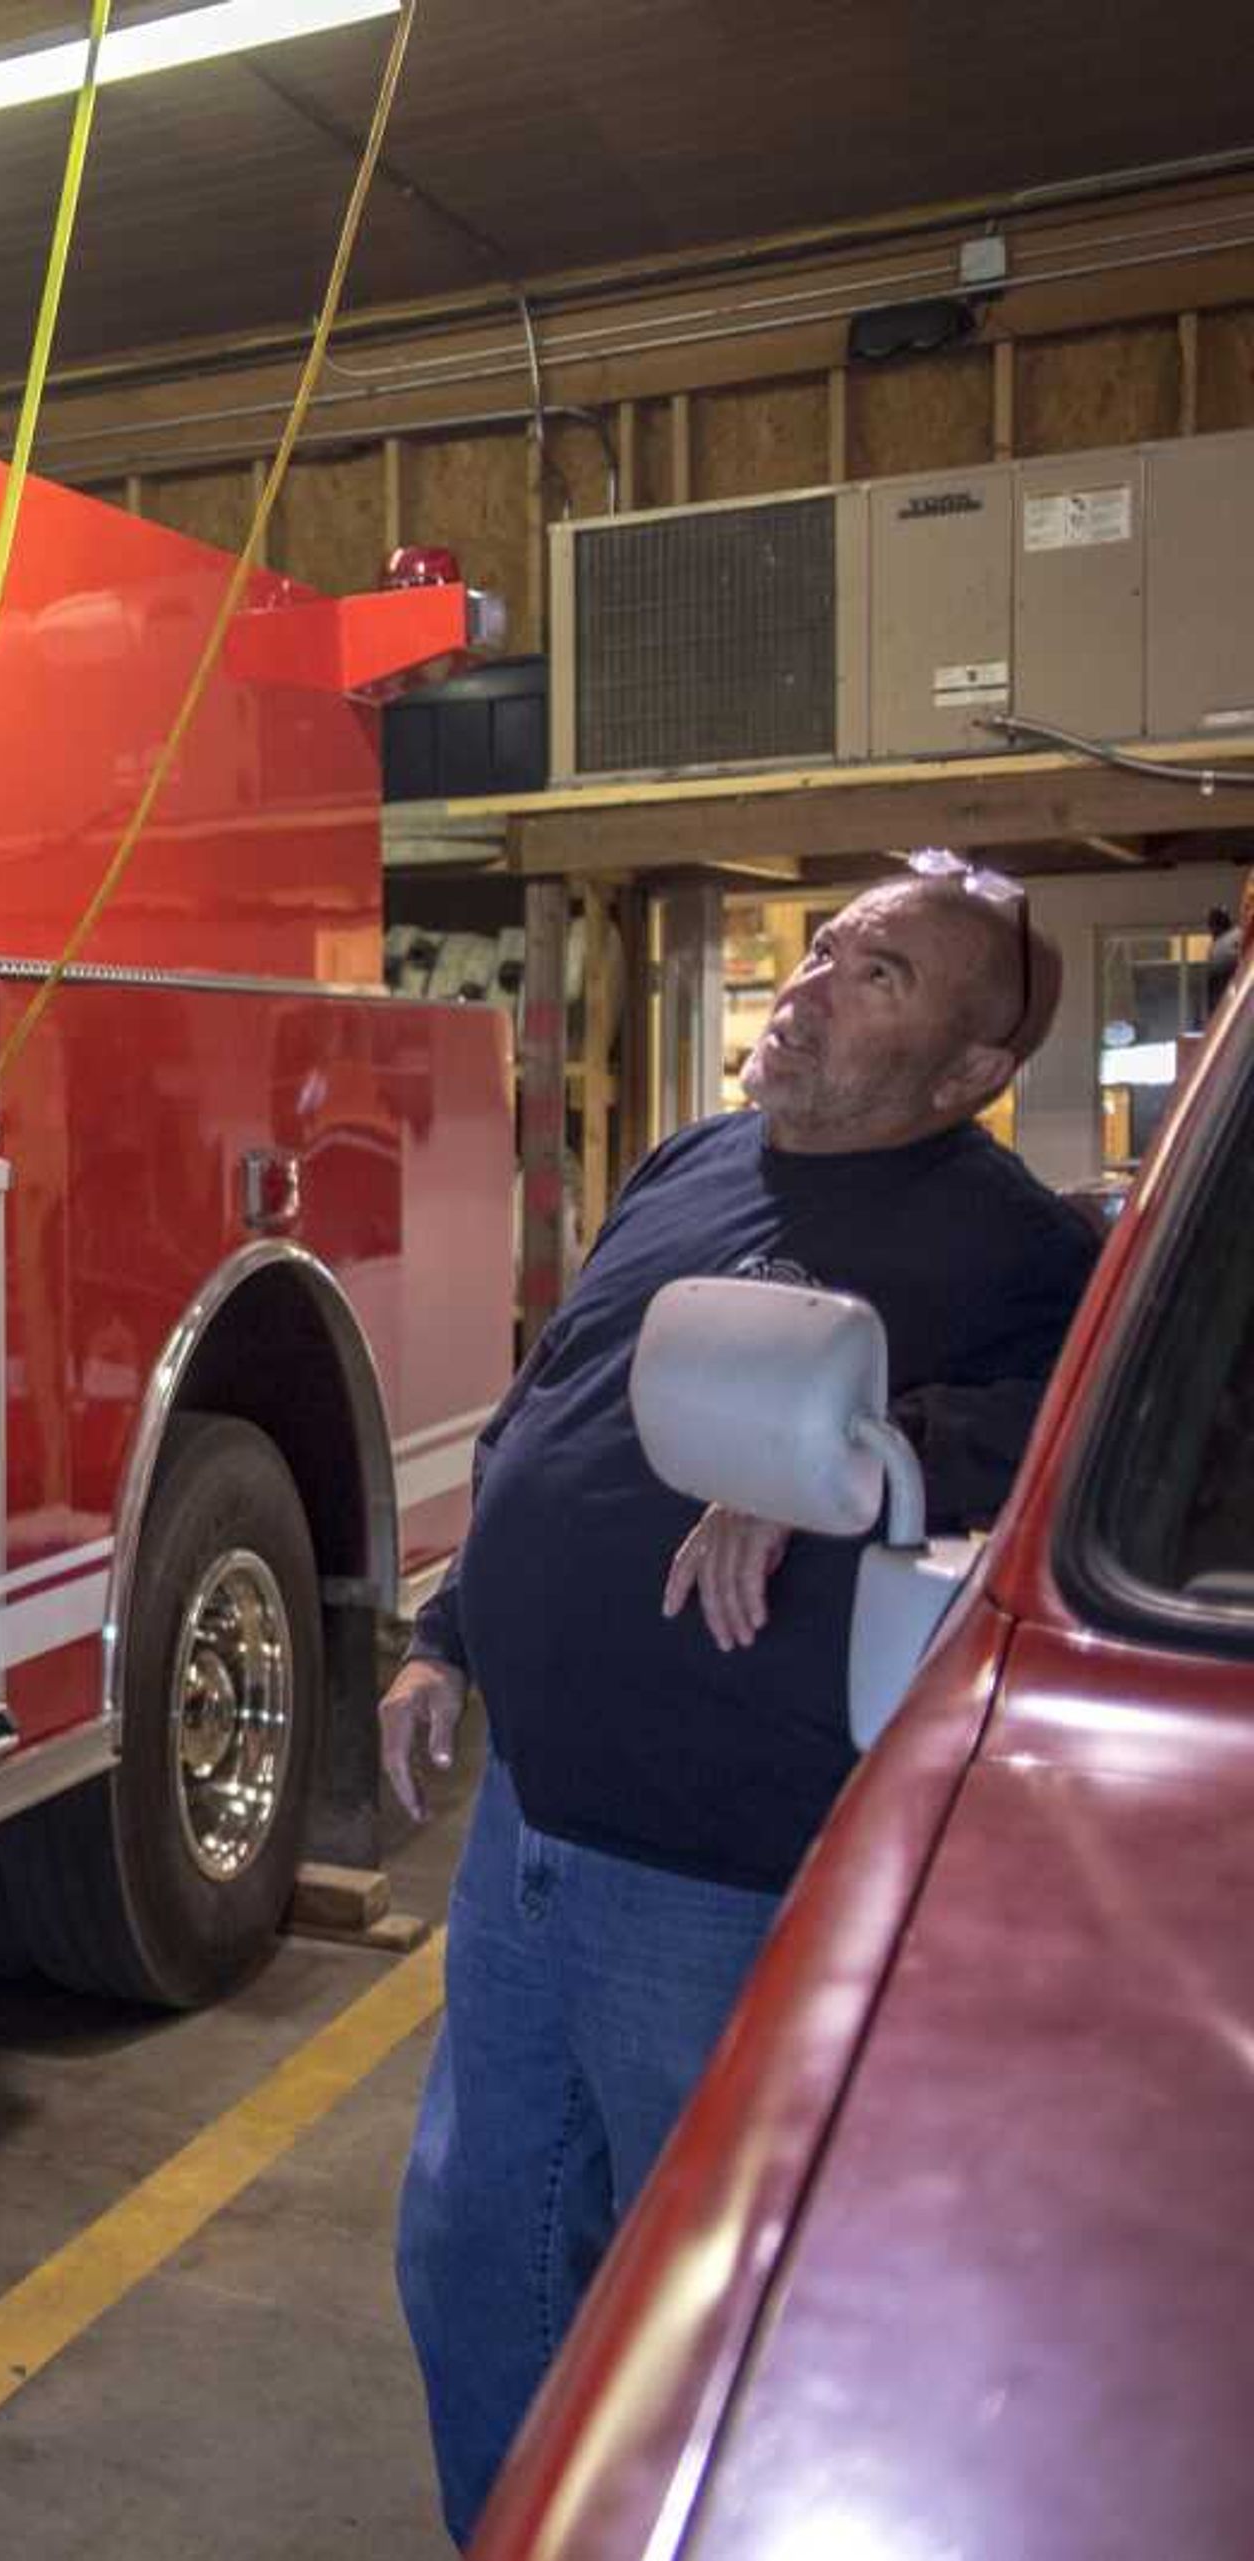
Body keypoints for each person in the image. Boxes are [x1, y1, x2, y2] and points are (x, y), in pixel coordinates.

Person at [380, 856, 1098, 2547]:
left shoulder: (1011, 1248)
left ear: (972, 1071)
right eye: (831, 945)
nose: (818, 977)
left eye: (883, 976)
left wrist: (858, 1454)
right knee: (476, 2257)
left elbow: (1059, 1439)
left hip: (715, 1879)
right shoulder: (694, 1164)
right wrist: (448, 1633)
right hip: (527, 1837)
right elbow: (547, 1402)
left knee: (696, 2308)